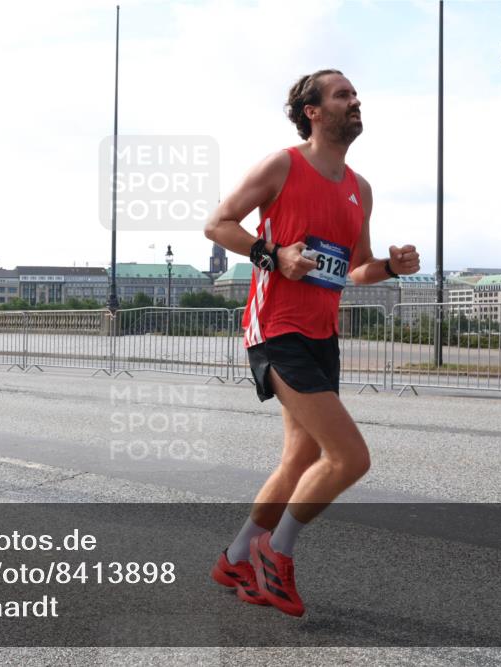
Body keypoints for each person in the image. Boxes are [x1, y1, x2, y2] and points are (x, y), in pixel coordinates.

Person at [205, 70, 420, 617]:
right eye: (342, 95)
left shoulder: (359, 188)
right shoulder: (283, 164)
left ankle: (234, 559)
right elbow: (218, 224)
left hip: (324, 333)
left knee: (301, 455)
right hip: (276, 327)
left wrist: (390, 268)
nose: (355, 101)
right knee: (348, 457)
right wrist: (274, 257)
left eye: (355, 94)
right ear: (313, 112)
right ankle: (275, 557)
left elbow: (355, 269)